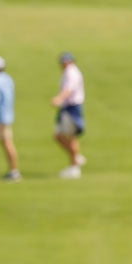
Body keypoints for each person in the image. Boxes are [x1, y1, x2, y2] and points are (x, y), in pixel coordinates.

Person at [51, 51, 86, 179]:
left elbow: (68, 89)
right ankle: (75, 158)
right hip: (67, 108)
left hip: (71, 107)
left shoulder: (71, 72)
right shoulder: (70, 72)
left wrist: (58, 98)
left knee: (68, 136)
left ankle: (74, 166)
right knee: (61, 135)